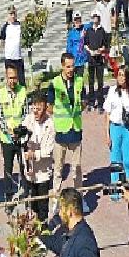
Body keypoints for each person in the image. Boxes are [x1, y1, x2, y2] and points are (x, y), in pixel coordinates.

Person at [48, 53, 86, 212]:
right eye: (68, 66)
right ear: (62, 66)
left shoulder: (79, 81)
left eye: (73, 66)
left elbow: (83, 102)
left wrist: (77, 111)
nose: (71, 69)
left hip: (75, 130)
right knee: (58, 170)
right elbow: (49, 107)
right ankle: (55, 202)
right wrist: (59, 120)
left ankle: (80, 200)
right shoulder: (54, 83)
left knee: (77, 169)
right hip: (61, 133)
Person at [104, 66, 129, 193]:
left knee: (128, 158)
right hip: (115, 127)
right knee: (115, 159)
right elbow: (107, 114)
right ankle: (115, 190)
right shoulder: (112, 90)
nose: (120, 77)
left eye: (123, 75)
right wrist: (107, 134)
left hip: (128, 128)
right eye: (119, 75)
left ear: (127, 77)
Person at [0, 63, 28, 200]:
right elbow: (0, 117)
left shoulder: (23, 92)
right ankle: (8, 196)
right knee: (8, 169)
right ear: (6, 77)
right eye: (10, 78)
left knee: (24, 167)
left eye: (14, 78)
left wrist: (19, 132)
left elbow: (26, 114)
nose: (12, 81)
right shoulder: (0, 94)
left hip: (21, 138)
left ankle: (27, 193)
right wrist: (9, 132)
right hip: (7, 139)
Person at [22, 95, 55, 222]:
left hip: (43, 171)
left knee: (42, 202)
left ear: (45, 108)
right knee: (32, 201)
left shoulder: (50, 124)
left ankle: (44, 225)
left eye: (39, 109)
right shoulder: (28, 120)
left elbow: (49, 150)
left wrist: (34, 154)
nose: (35, 112)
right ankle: (34, 226)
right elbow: (22, 136)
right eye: (34, 108)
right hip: (30, 170)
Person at [84, 11, 108, 110]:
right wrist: (90, 51)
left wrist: (100, 50)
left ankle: (100, 102)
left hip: (99, 59)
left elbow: (105, 44)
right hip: (91, 59)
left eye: (97, 17)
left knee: (100, 81)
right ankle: (91, 101)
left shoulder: (102, 30)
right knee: (91, 81)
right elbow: (85, 44)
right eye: (94, 17)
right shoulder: (88, 30)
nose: (95, 19)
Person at [0, 6, 25, 85]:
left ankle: (23, 95)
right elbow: (2, 41)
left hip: (18, 58)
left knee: (21, 80)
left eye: (14, 14)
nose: (13, 16)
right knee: (11, 80)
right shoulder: (5, 27)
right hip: (9, 58)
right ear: (8, 15)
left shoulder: (20, 25)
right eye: (11, 14)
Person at [66, 11, 90, 77]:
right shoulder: (71, 32)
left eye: (79, 20)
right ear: (74, 21)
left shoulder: (84, 28)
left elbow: (92, 24)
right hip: (73, 59)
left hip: (81, 59)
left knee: (80, 78)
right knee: (72, 79)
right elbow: (68, 47)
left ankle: (81, 87)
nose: (78, 22)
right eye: (76, 20)